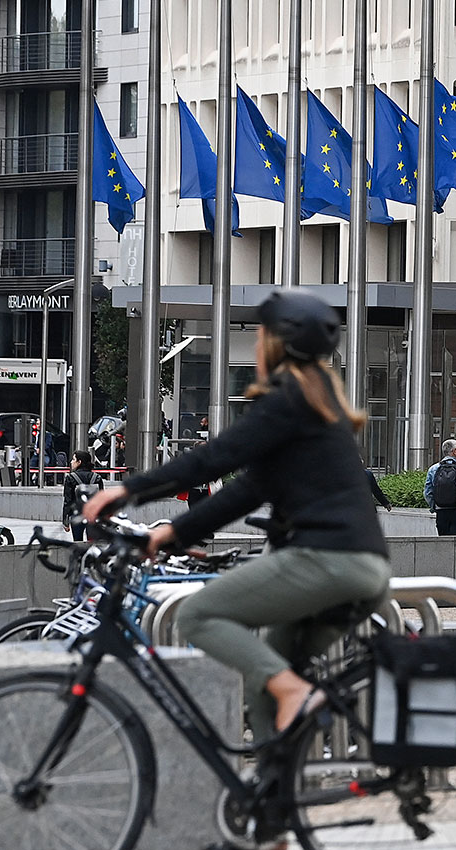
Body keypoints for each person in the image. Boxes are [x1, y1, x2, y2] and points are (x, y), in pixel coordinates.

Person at [81, 289, 392, 739]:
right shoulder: (317, 400)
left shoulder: (287, 400)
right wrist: (173, 533)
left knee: (199, 616)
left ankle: (296, 694)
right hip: (364, 567)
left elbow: (214, 459)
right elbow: (249, 489)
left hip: (327, 560)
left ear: (273, 344)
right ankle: (274, 799)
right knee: (265, 682)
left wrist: (128, 490)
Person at [424, 438, 456, 536]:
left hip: (441, 511)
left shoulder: (433, 469)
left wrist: (433, 506)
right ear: (454, 451)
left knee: (444, 544)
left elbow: (427, 492)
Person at [62, 450, 99, 540]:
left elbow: (68, 500)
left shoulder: (70, 478)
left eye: (73, 459)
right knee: (93, 543)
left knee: (78, 543)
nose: (71, 462)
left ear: (79, 462)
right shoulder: (97, 477)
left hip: (77, 515)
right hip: (93, 516)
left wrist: (65, 520)